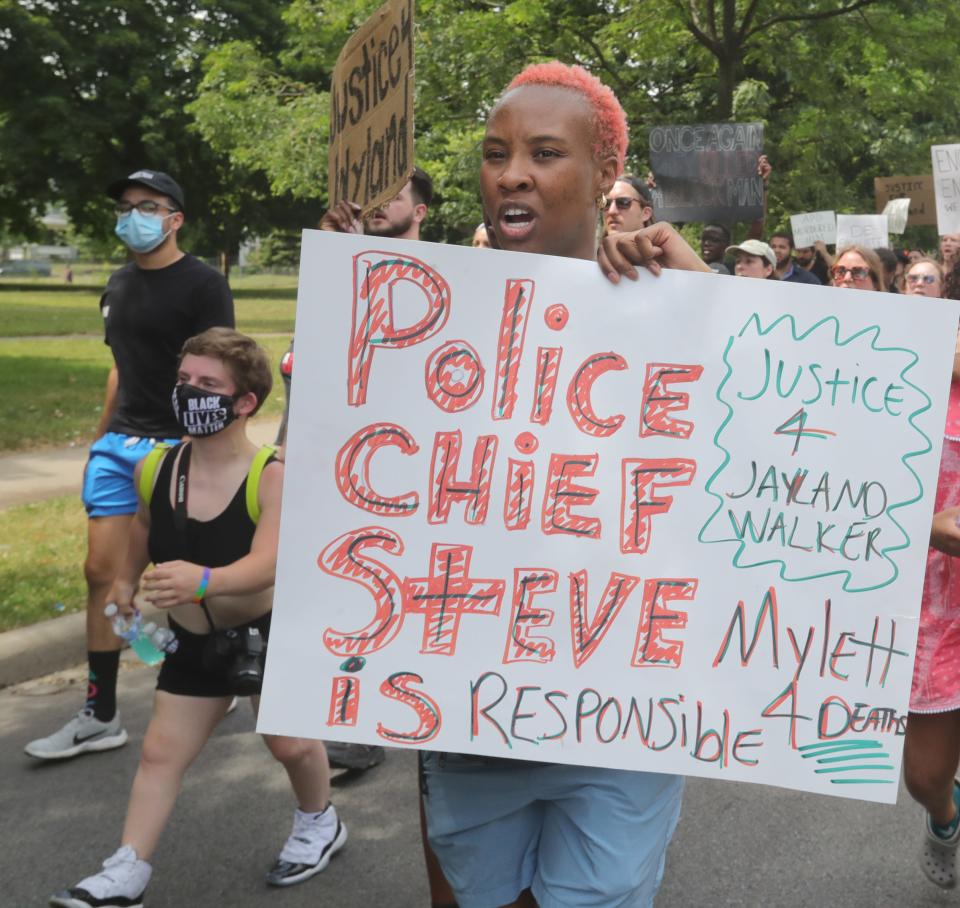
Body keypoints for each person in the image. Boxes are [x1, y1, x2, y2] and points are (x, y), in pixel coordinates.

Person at [421, 60, 710, 908]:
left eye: (545, 153)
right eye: (495, 151)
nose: (511, 173)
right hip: (470, 715)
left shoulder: (659, 300)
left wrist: (679, 273)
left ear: (605, 175)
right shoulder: (416, 317)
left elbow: (775, 401)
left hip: (625, 721)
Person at [49, 328, 343, 908]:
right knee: (161, 752)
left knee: (289, 746)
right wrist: (127, 580)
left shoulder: (271, 474)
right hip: (190, 639)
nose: (190, 393)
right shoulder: (157, 468)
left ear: (245, 403)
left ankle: (319, 822)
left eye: (208, 384)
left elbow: (267, 565)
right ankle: (127, 869)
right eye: (185, 381)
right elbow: (140, 527)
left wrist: (204, 580)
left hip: (263, 636)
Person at [26, 170, 234, 762]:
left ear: (175, 219)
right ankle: (100, 712)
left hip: (176, 446)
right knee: (100, 572)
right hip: (119, 447)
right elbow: (121, 366)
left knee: (187, 577)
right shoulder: (116, 284)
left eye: (148, 205)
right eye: (126, 206)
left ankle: (221, 674)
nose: (133, 215)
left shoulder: (203, 284)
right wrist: (100, 439)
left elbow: (221, 372)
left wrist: (210, 447)